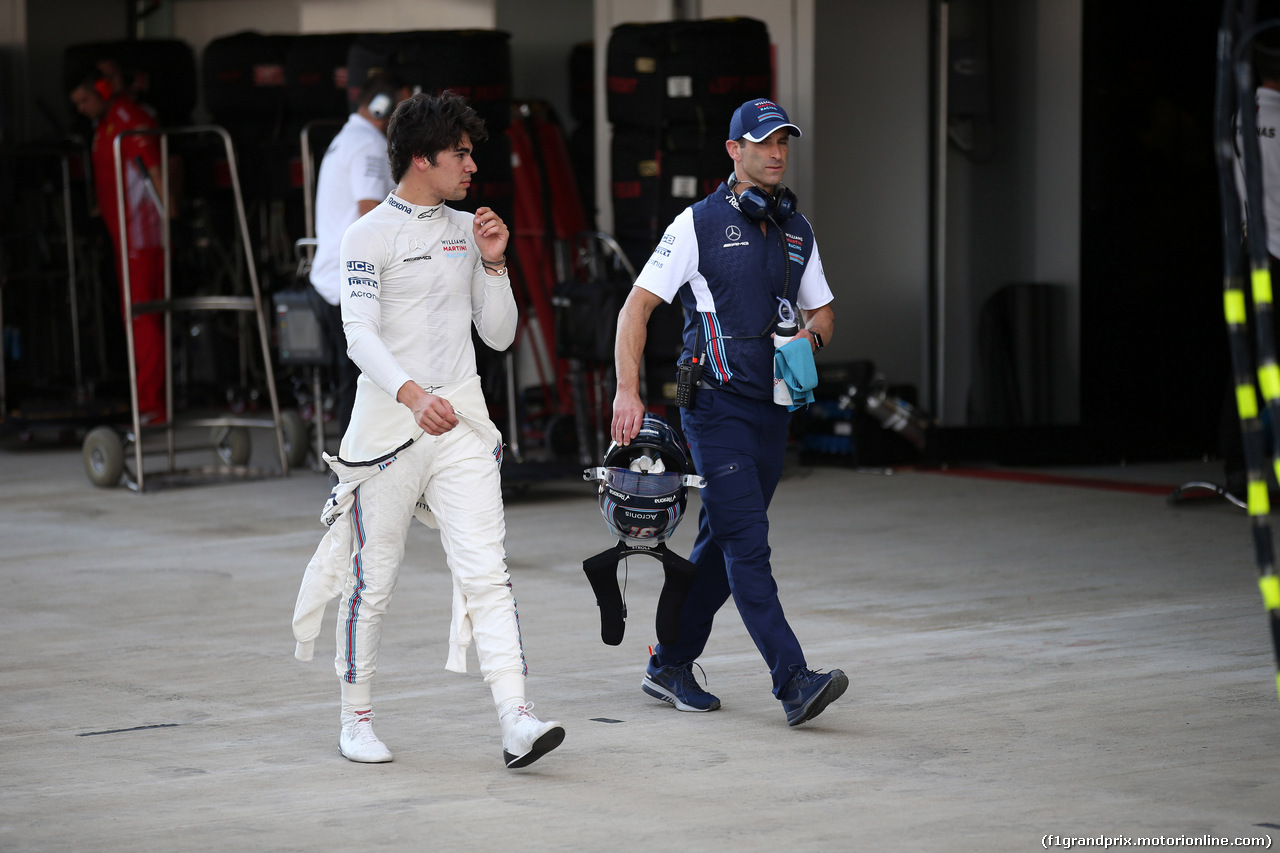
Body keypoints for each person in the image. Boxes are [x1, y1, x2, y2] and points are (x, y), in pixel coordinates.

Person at [298, 91, 564, 769]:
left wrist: (496, 261)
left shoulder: (466, 230)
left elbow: (498, 335)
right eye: (461, 153)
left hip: (462, 422)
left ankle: (517, 718)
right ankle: (355, 717)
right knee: (372, 580)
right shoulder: (367, 235)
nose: (472, 164)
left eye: (472, 152)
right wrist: (413, 395)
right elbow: (357, 332)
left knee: (488, 571)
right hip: (386, 431)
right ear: (422, 158)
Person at [610, 97, 847, 727]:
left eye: (784, 143)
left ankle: (669, 662)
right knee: (748, 543)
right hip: (715, 411)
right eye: (764, 143)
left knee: (720, 543)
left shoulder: (797, 230)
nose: (776, 154)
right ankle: (793, 680)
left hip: (773, 412)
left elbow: (822, 309)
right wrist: (626, 391)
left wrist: (809, 339)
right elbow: (635, 310)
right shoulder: (697, 224)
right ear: (733, 151)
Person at [69, 67, 167, 423]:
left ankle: (152, 405)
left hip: (140, 236)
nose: (80, 108)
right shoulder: (105, 124)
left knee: (143, 317)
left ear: (101, 89)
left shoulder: (127, 118)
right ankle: (147, 401)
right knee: (136, 317)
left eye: (84, 100)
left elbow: (153, 168)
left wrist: (167, 212)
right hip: (122, 234)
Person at [308, 74, 403, 438]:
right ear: (382, 108)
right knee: (364, 380)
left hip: (333, 278)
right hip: (348, 282)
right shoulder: (367, 146)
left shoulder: (348, 140)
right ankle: (353, 471)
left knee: (359, 379)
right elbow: (369, 211)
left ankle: (354, 468)